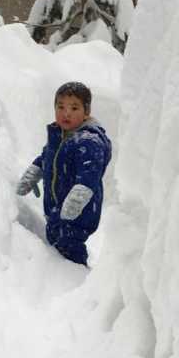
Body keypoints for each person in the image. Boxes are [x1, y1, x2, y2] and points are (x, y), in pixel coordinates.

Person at [16, 81, 112, 266]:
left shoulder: (89, 141)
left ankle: (75, 279)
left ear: (86, 112)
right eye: (60, 107)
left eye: (74, 108)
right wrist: (34, 172)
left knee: (70, 247)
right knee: (55, 240)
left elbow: (88, 176)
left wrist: (75, 202)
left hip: (78, 213)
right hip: (55, 208)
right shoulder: (59, 135)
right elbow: (47, 157)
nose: (66, 113)